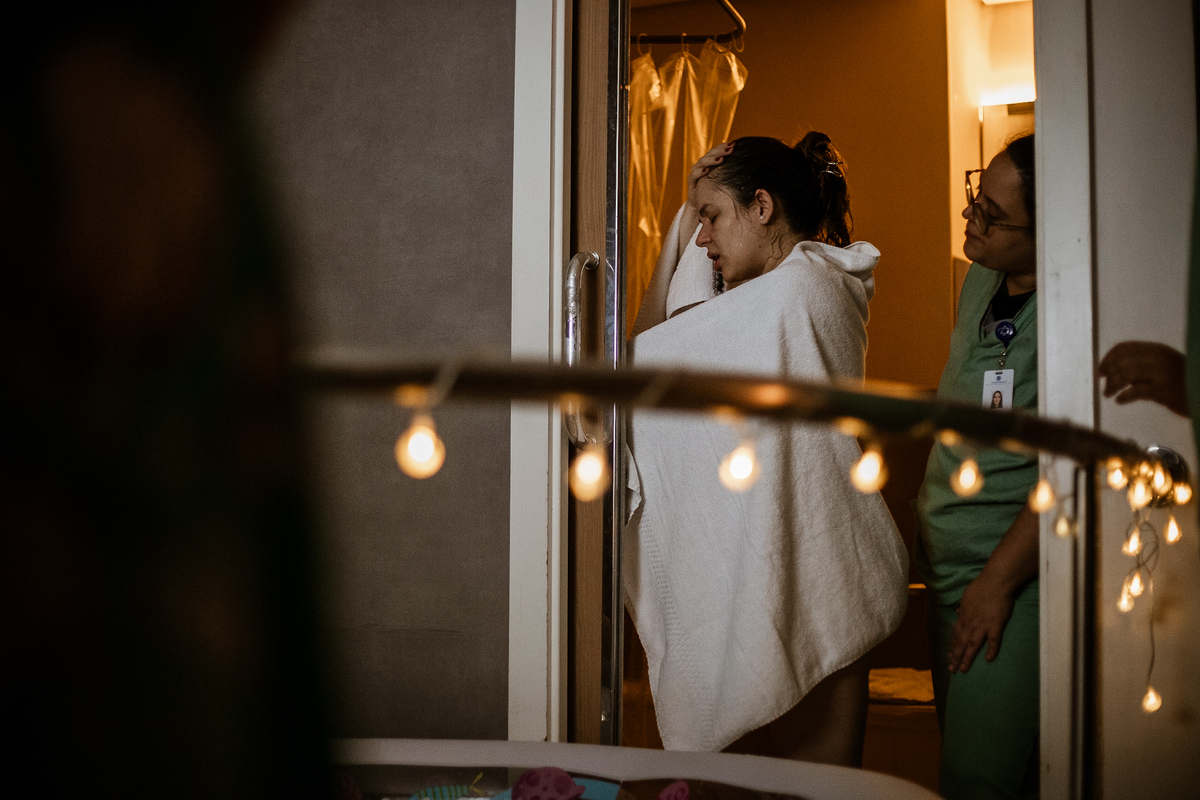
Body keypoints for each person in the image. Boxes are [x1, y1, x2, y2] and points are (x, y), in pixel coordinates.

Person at [623, 134, 908, 764]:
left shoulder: (801, 292)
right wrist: (685, 217)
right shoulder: (755, 307)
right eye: (696, 224)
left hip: (816, 575)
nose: (702, 240)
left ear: (761, 206)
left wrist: (679, 236)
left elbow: (636, 367)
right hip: (758, 571)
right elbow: (649, 363)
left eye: (710, 218)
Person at [915, 133, 1039, 800]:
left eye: (993, 215)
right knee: (956, 755)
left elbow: (1067, 478)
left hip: (1012, 574)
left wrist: (996, 583)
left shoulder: (1070, 314)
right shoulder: (981, 279)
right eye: (975, 198)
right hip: (946, 565)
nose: (971, 218)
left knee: (979, 777)